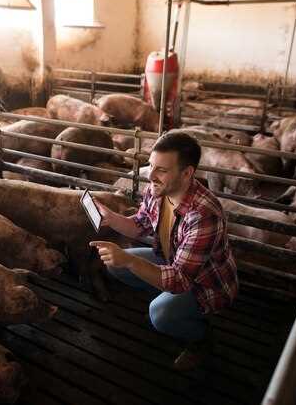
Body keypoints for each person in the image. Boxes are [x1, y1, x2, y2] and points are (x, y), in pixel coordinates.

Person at [90, 132, 238, 371]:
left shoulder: (203, 215)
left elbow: (180, 280)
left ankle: (200, 339)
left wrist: (129, 260)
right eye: (150, 165)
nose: (151, 174)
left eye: (161, 169)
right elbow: (140, 225)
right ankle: (168, 300)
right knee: (113, 264)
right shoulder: (158, 189)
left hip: (206, 284)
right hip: (172, 261)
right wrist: (111, 218)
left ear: (187, 173)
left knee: (159, 314)